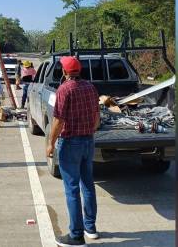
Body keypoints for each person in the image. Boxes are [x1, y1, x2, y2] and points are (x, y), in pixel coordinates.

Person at [46, 56, 100, 246]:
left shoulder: (64, 90)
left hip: (70, 143)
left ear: (65, 71)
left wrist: (50, 143)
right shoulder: (90, 87)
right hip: (88, 141)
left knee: (72, 189)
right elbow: (97, 119)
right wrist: (88, 132)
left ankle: (76, 236)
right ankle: (90, 228)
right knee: (88, 184)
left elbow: (59, 121)